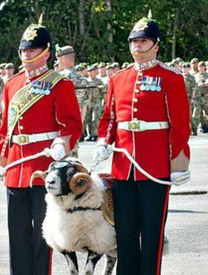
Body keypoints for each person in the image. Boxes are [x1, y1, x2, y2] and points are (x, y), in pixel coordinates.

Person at [93, 12, 191, 275]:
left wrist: (179, 162)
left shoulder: (171, 78)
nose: (137, 46)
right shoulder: (118, 78)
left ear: (156, 45)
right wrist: (104, 141)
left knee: (151, 234)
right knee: (124, 234)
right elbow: (110, 118)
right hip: (124, 167)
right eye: (134, 42)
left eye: (144, 42)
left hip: (155, 167)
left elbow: (180, 124)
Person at [0, 21, 82, 275]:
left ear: (46, 52)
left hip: (44, 167)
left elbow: (72, 124)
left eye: (33, 50)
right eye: (24, 50)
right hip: (16, 167)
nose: (27, 55)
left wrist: (61, 144)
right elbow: (6, 129)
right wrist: (1, 159)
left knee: (43, 235)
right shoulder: (12, 84)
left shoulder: (59, 83)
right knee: (17, 233)